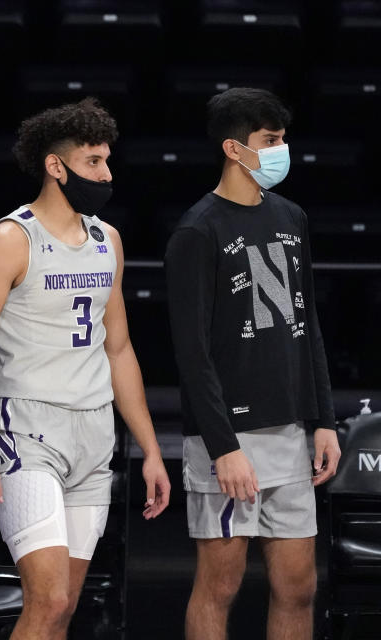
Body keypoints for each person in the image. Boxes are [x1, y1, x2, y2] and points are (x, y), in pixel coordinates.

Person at [0, 98, 171, 639]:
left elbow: (118, 350)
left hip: (94, 433)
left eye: (106, 161)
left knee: (66, 606)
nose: (106, 174)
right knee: (45, 600)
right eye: (94, 162)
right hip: (28, 430)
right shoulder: (10, 239)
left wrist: (152, 450)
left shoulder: (107, 240)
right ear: (56, 166)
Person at [165, 87, 342, 640]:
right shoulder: (198, 230)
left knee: (298, 586)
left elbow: (305, 322)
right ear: (234, 149)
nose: (281, 150)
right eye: (270, 141)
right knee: (220, 585)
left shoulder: (293, 217)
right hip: (229, 440)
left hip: (290, 430)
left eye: (283, 138)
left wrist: (323, 420)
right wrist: (224, 446)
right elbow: (191, 354)